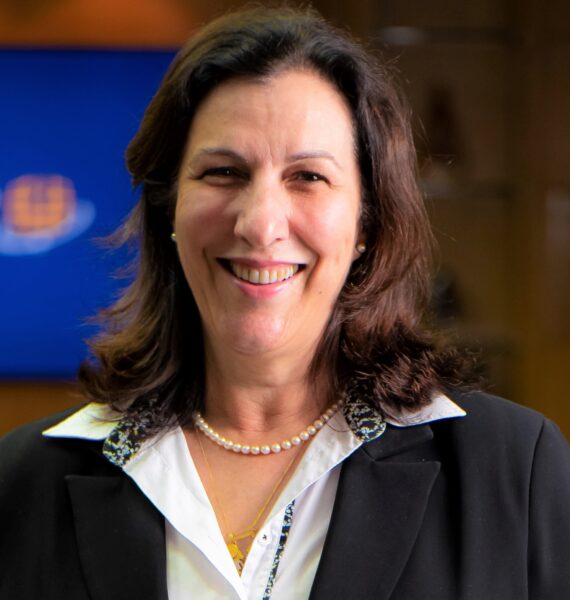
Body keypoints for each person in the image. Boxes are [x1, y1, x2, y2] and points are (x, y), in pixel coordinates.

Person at [1, 6, 569, 600]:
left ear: (366, 221)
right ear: (169, 208)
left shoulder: (513, 473)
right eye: (223, 171)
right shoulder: (20, 485)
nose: (260, 222)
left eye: (308, 177)